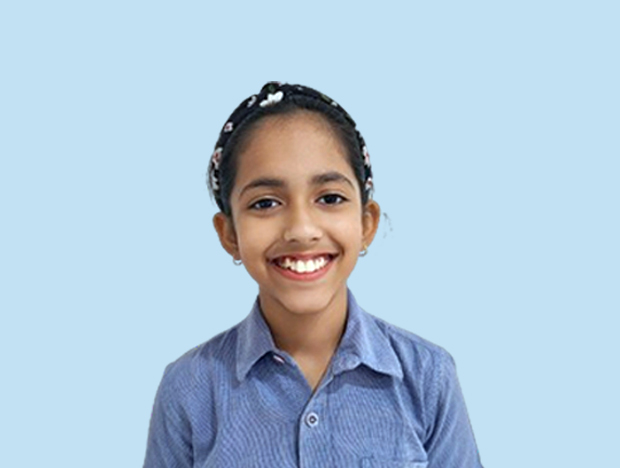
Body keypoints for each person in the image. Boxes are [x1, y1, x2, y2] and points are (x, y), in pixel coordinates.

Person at [143, 82, 484, 467]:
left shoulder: (428, 376)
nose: (302, 229)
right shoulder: (189, 388)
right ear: (230, 234)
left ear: (366, 223)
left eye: (330, 198)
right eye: (265, 203)